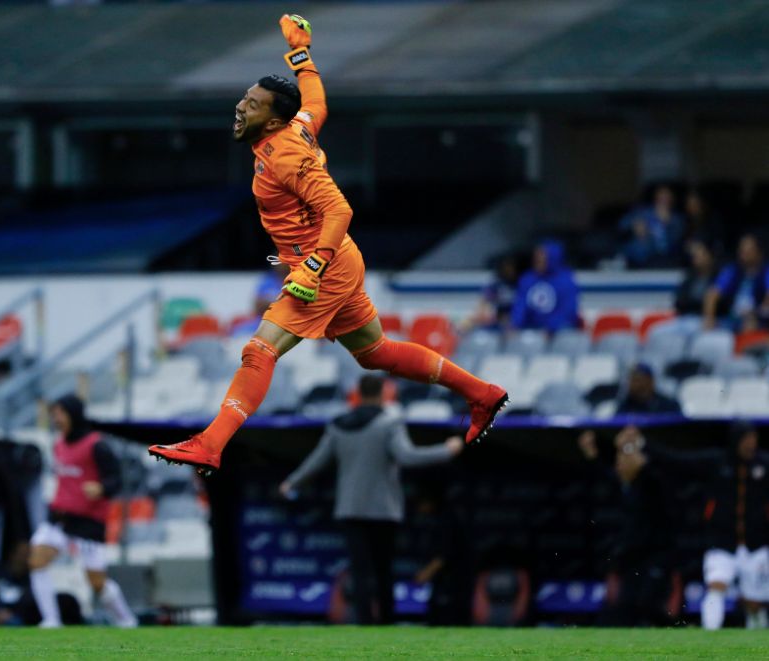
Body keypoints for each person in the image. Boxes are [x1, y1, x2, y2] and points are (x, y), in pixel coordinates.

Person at [149, 15, 506, 473]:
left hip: (322, 270)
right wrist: (301, 54)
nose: (240, 107)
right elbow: (315, 101)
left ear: (271, 119)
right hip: (339, 260)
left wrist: (313, 268)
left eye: (252, 104)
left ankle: (210, 444)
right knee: (376, 353)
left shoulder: (285, 156)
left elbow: (340, 209)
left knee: (259, 350)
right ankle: (482, 393)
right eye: (244, 98)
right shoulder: (294, 128)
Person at [278, 374, 464, 624]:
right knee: (383, 569)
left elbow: (316, 462)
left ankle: (364, 621)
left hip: (350, 509)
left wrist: (291, 482)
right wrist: (447, 450)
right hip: (383, 509)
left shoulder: (338, 425)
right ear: (383, 394)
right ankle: (386, 620)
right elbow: (408, 457)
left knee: (360, 571)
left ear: (358, 394)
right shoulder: (389, 423)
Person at [645, 422, 769, 630]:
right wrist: (645, 444)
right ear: (736, 440)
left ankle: (758, 634)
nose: (751, 444)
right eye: (746, 439)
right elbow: (677, 460)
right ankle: (710, 633)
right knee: (716, 587)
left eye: (753, 438)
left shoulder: (763, 465)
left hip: (756, 544)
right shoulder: (716, 462)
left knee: (754, 603)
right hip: (721, 542)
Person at [28, 395, 137, 628]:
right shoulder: (58, 445)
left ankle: (126, 620)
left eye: (61, 413)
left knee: (97, 582)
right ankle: (51, 621)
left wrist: (101, 488)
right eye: (54, 414)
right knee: (37, 560)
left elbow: (117, 480)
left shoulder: (96, 445)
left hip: (88, 521)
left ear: (74, 415)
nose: (56, 418)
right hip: (60, 517)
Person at [578, 426, 677, 626]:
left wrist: (634, 444)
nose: (619, 463)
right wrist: (592, 455)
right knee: (625, 606)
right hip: (632, 558)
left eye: (623, 458)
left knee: (649, 605)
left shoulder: (651, 483)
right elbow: (607, 474)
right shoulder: (626, 487)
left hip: (655, 556)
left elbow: (654, 469)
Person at [510, 240, 580, 333]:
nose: (537, 260)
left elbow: (568, 311)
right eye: (536, 257)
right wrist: (515, 323)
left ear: (552, 258)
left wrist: (552, 327)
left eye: (541, 257)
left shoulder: (566, 281)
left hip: (559, 330)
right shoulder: (527, 279)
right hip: (532, 329)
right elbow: (520, 305)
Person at [703, 233, 768, 331]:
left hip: (757, 319)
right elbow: (712, 294)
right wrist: (709, 319)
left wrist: (755, 314)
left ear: (759, 252)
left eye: (749, 250)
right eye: (742, 250)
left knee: (750, 327)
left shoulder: (766, 272)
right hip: (731, 319)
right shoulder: (732, 270)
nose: (744, 254)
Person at [619, 184, 685, 269]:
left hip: (666, 260)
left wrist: (667, 224)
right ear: (655, 196)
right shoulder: (643, 212)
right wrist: (634, 225)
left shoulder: (676, 219)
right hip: (641, 258)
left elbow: (676, 240)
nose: (664, 198)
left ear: (672, 198)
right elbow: (622, 225)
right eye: (661, 194)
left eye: (667, 195)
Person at [463, 254, 519, 332]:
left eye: (511, 267)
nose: (509, 270)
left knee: (508, 323)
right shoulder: (497, 284)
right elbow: (485, 300)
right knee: (469, 321)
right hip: (499, 316)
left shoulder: (521, 283)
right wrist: (480, 313)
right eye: (506, 267)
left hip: (514, 317)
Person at [673, 240, 720, 325]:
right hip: (684, 318)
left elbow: (720, 305)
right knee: (657, 331)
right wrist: (698, 303)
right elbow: (679, 302)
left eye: (699, 256)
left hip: (705, 319)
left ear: (710, 256)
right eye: (694, 256)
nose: (696, 259)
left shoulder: (718, 277)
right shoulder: (690, 277)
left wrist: (694, 305)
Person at [616, 364, 681, 415]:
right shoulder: (625, 406)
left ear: (650, 381)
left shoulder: (668, 405)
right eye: (631, 380)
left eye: (637, 380)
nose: (632, 384)